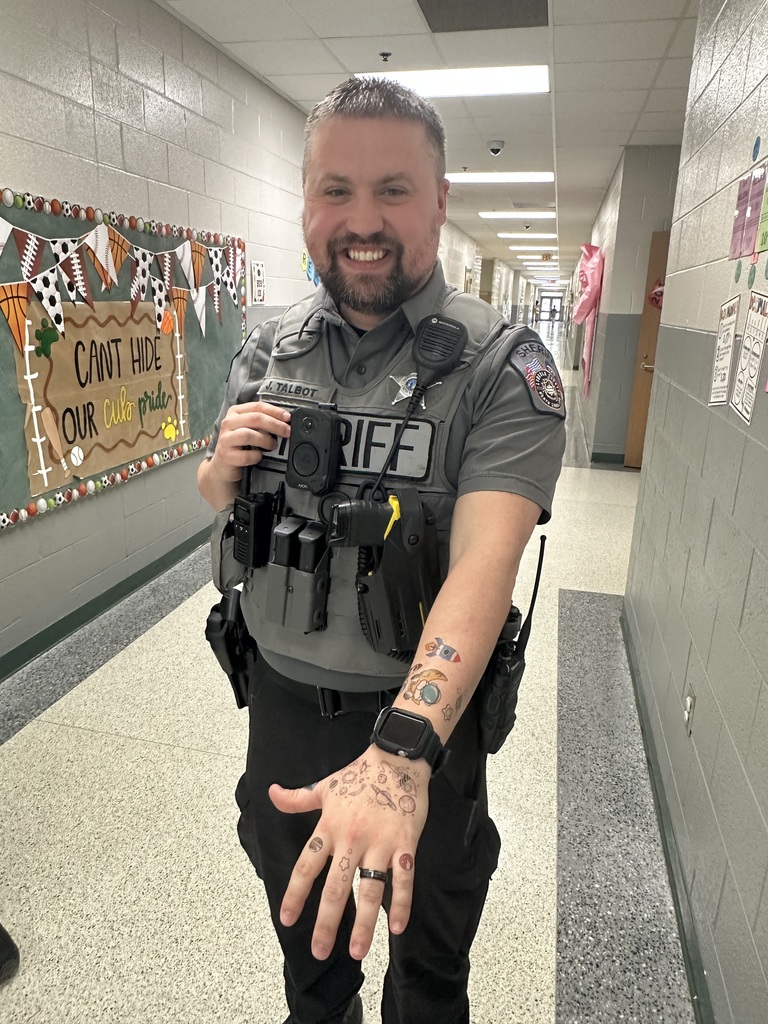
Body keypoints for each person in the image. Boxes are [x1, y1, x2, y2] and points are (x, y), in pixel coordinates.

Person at [198, 76, 565, 1024]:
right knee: (311, 969)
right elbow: (231, 508)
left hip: (425, 735)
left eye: (393, 190)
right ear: (306, 199)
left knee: (429, 972)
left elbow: (487, 565)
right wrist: (215, 477)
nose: (362, 220)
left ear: (440, 201)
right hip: (280, 708)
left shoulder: (502, 369)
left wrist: (400, 753)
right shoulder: (266, 348)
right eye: (336, 189)